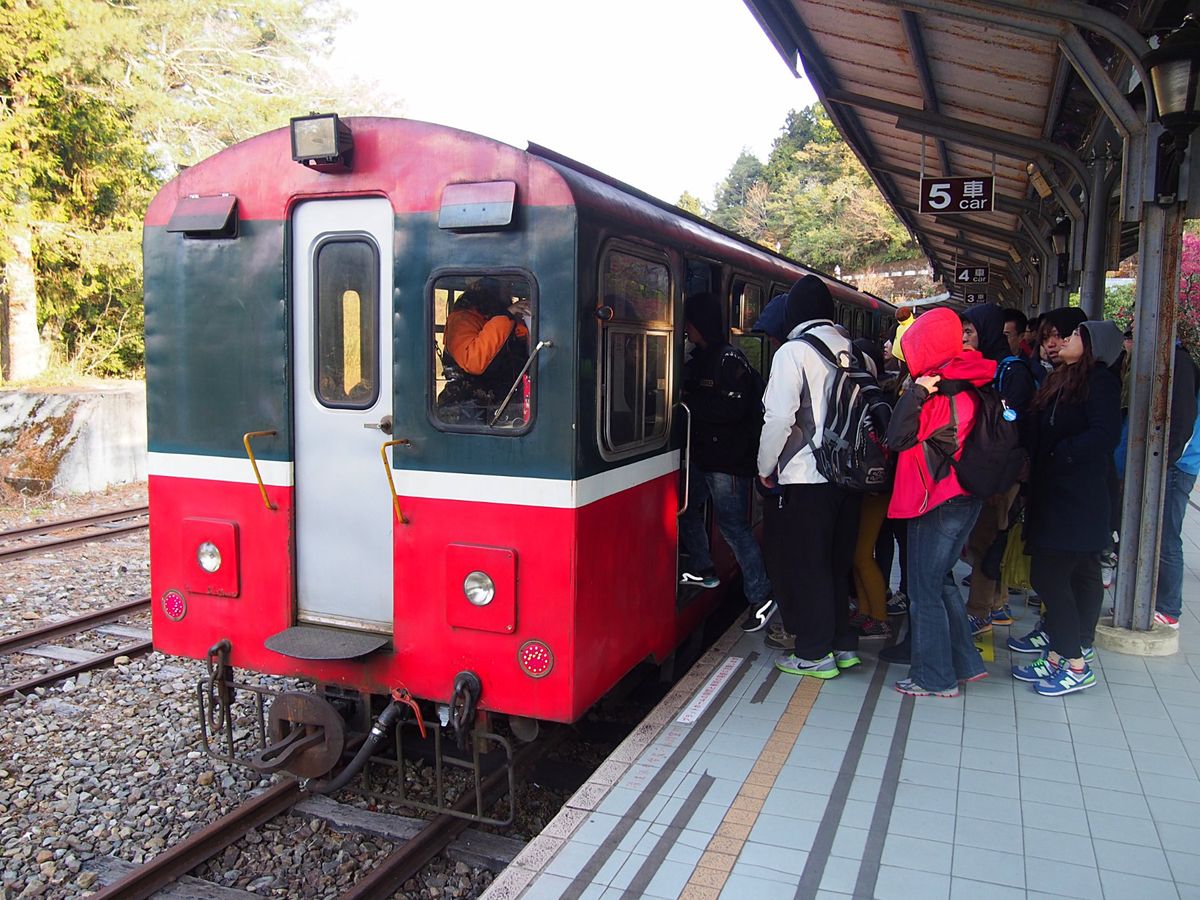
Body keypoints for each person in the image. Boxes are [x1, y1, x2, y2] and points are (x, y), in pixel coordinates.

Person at [885, 307, 993, 697]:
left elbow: (897, 437)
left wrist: (915, 392)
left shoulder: (941, 392)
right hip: (963, 497)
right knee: (942, 582)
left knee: (924, 590)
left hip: (936, 501)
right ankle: (964, 663)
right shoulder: (970, 375)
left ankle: (935, 678)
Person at [758, 275, 861, 679]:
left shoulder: (793, 353)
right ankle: (843, 645)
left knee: (807, 565)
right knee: (836, 565)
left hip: (807, 476)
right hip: (849, 476)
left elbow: (780, 417)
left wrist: (766, 468)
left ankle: (814, 653)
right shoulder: (853, 350)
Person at [1012, 320, 1122, 695]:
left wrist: (1063, 455)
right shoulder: (1065, 377)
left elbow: (1104, 434)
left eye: (1074, 336)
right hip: (1056, 492)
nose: (1063, 341)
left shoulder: (1101, 381)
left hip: (1078, 497)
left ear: (1094, 347)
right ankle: (1061, 654)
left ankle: (1075, 663)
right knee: (1066, 574)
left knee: (1049, 576)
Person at [677, 292, 775, 633]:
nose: (685, 329)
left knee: (734, 528)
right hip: (706, 456)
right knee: (688, 510)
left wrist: (689, 407)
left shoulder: (729, 360)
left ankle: (761, 595)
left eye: (688, 322)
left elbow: (733, 409)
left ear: (699, 323)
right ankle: (704, 567)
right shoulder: (699, 358)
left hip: (728, 462)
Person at [959, 304, 1037, 636]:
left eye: (969, 331)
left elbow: (1009, 431)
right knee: (989, 539)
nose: (964, 338)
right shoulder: (995, 367)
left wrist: (995, 479)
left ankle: (980, 610)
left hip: (999, 473)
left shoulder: (1008, 372)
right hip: (995, 469)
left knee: (984, 541)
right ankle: (995, 602)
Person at [1153, 340, 1200, 628]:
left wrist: (1168, 459)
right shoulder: (1186, 365)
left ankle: (1169, 609)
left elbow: (1184, 425)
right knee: (1164, 536)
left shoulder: (1181, 365)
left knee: (1167, 538)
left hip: (1180, 466)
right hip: (1182, 464)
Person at [438, 280, 530, 422]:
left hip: (499, 409)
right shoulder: (462, 319)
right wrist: (506, 315)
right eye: (505, 286)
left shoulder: (502, 321)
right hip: (465, 413)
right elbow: (473, 361)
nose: (509, 292)